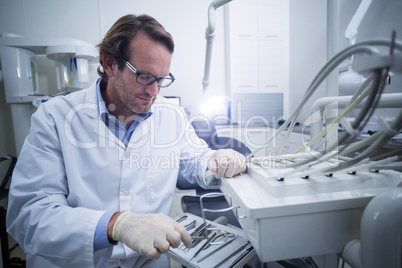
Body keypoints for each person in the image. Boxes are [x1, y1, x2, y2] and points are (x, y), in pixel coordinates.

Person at [6, 14, 246, 268]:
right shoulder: (55, 117)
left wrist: (215, 160)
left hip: (148, 261)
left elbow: (194, 160)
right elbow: (29, 215)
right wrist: (115, 225)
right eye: (144, 76)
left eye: (162, 79)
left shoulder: (171, 115)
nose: (154, 91)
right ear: (110, 64)